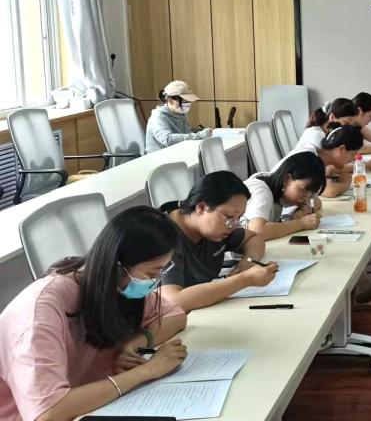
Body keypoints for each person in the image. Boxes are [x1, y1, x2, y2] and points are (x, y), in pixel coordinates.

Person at [0, 207, 188, 421]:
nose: (154, 282)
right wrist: (146, 371)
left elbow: (174, 315)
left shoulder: (114, 286)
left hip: (91, 405)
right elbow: (48, 413)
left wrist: (134, 345)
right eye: (151, 273)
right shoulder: (40, 312)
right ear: (118, 267)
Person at [158, 171, 278, 312]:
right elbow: (173, 300)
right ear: (201, 207)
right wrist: (244, 280)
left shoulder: (215, 229)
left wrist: (248, 261)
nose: (234, 225)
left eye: (239, 218)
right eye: (230, 217)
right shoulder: (163, 237)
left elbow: (254, 238)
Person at [244, 152, 326, 241]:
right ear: (287, 179)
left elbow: (316, 200)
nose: (306, 197)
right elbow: (258, 230)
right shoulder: (261, 191)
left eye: (312, 193)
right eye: (304, 190)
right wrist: (301, 224)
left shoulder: (274, 182)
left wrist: (301, 211)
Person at [279, 123, 364, 199]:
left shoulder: (320, 155)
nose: (353, 159)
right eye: (352, 154)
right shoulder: (310, 157)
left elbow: (328, 172)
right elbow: (330, 191)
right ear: (341, 149)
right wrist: (347, 183)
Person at [145, 80, 211, 153]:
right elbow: (167, 139)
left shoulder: (180, 113)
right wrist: (199, 136)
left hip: (178, 153)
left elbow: (184, 133)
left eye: (188, 101)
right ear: (170, 100)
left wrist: (202, 131)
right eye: (184, 101)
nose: (187, 104)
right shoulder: (158, 117)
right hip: (159, 157)